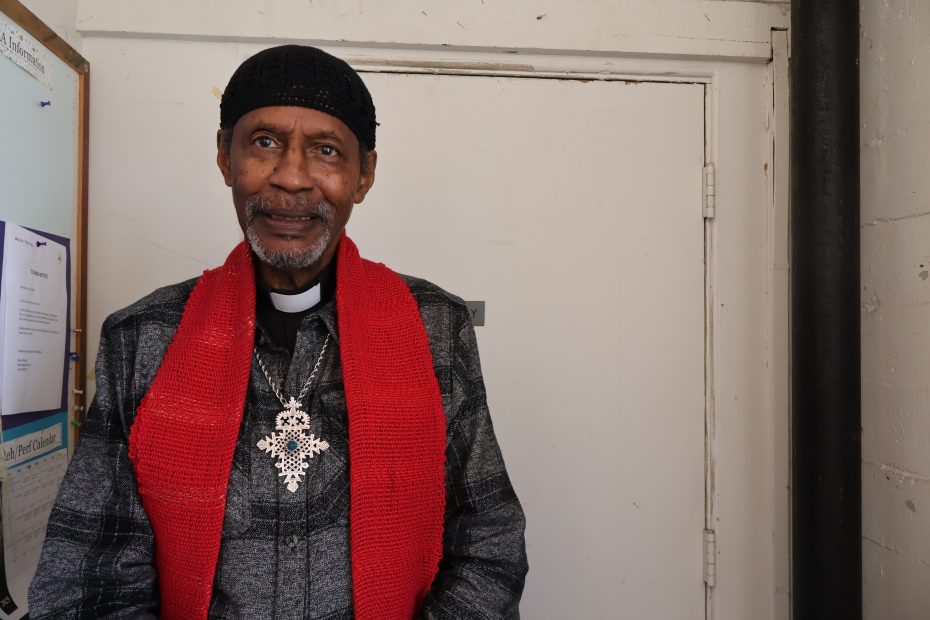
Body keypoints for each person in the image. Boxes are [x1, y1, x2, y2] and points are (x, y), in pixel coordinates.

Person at [28, 45, 527, 619]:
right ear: (224, 157)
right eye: (264, 143)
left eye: (326, 151)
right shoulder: (141, 339)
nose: (291, 177)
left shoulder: (436, 326)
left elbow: (489, 537)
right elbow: (91, 572)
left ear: (364, 175)